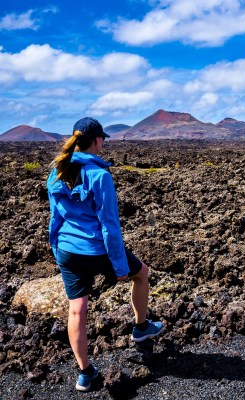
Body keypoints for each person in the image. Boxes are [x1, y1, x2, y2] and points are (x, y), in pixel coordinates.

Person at [46, 117, 163, 392]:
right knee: (142, 274)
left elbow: (55, 216)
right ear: (97, 140)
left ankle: (85, 373)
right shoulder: (100, 175)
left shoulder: (57, 171)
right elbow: (109, 227)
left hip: (67, 250)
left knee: (77, 309)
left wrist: (56, 248)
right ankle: (141, 327)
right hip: (97, 251)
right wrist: (120, 266)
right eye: (103, 140)